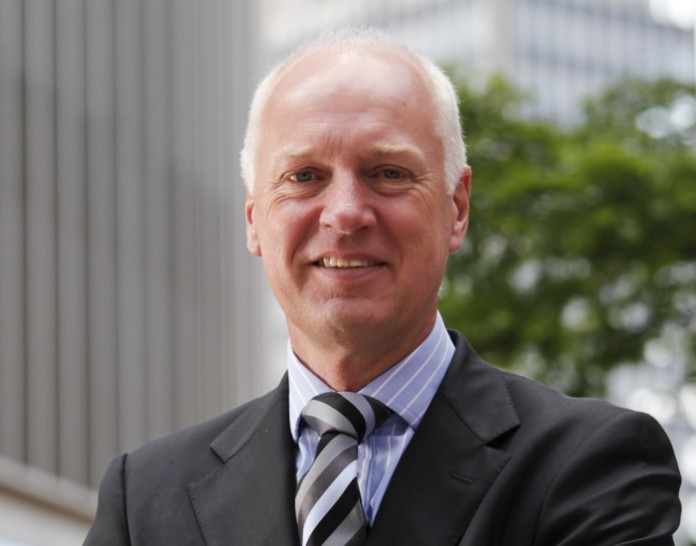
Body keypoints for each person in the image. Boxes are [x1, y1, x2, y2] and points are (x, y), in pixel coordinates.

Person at [85, 27, 681, 545]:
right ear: (254, 220)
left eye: (389, 173)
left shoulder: (594, 466)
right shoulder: (144, 500)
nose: (345, 213)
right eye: (304, 176)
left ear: (457, 208)